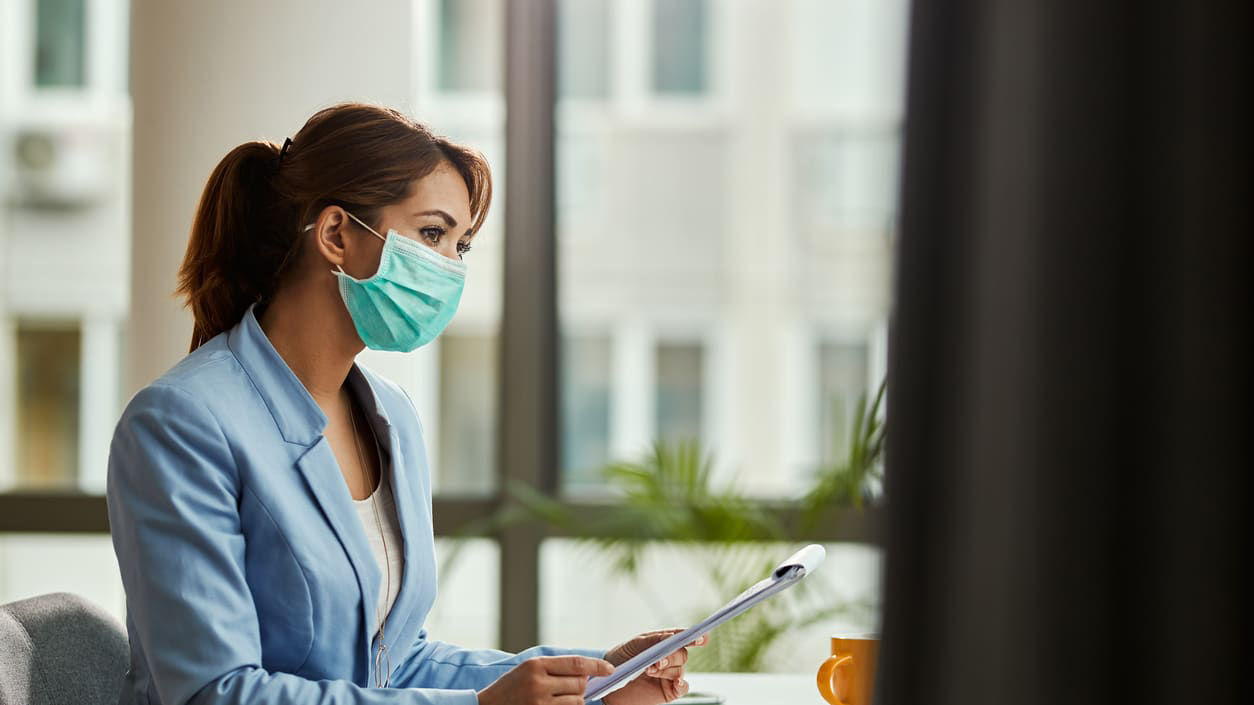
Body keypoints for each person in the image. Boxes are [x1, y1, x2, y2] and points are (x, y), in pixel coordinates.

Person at [106, 103, 704, 705]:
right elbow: (213, 692)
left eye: (460, 246)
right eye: (432, 234)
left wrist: (593, 675)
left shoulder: (390, 416)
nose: (449, 267)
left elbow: (397, 661)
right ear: (337, 235)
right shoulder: (180, 424)